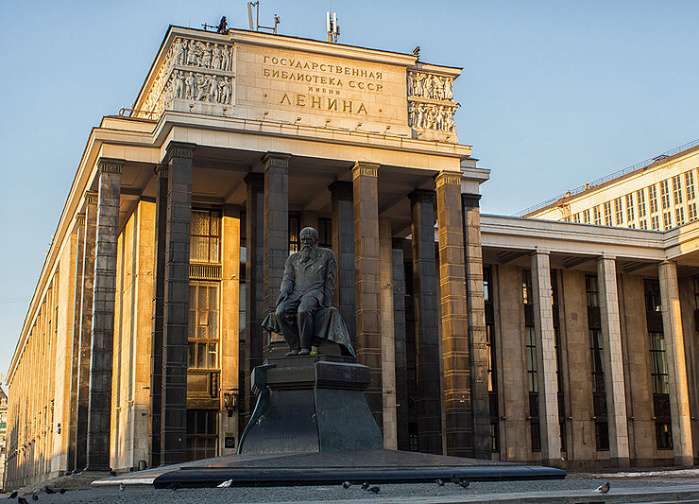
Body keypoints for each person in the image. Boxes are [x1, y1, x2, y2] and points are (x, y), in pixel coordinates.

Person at [275, 227, 336, 356]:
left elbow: (329, 280)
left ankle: (305, 347)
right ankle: (294, 346)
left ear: (315, 240)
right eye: (303, 240)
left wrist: (327, 302)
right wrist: (284, 292)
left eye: (309, 239)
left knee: (303, 310)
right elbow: (288, 278)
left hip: (314, 292)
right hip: (295, 293)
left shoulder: (327, 254)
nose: (306, 242)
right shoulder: (293, 259)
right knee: (281, 311)